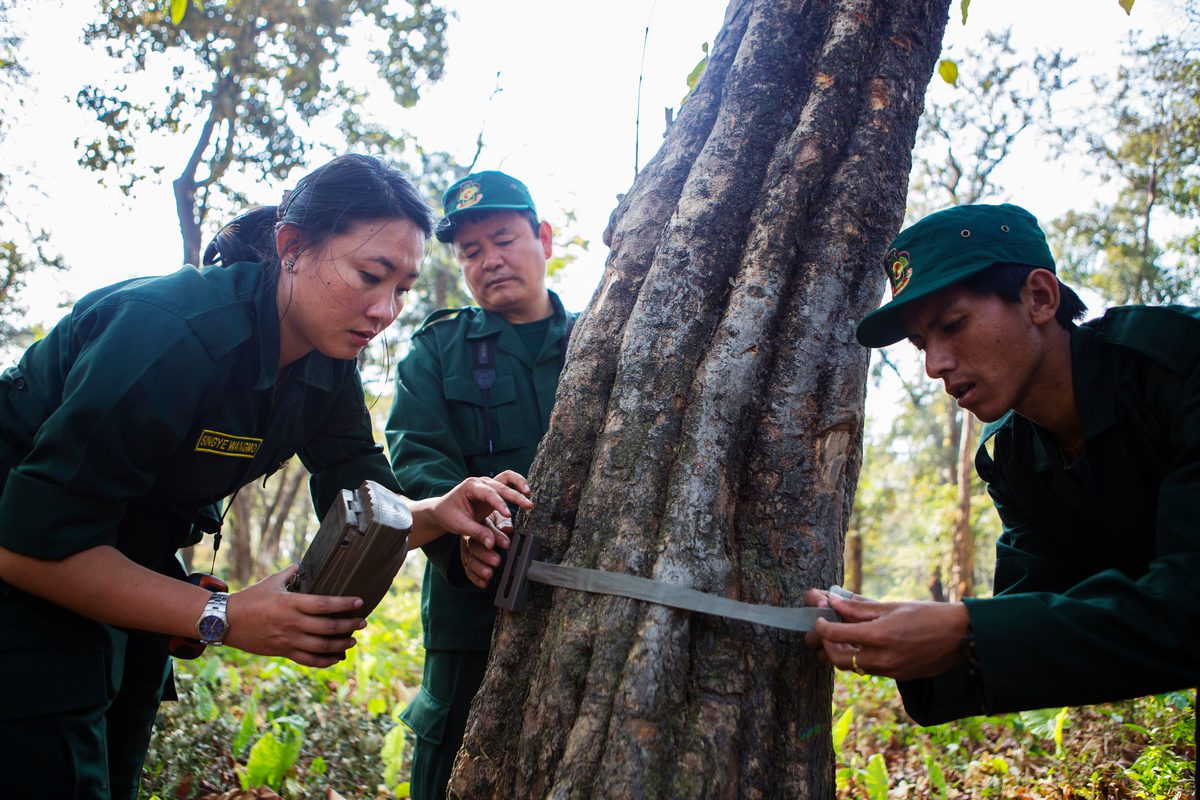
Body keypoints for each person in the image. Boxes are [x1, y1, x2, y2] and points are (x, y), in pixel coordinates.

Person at [0, 153, 531, 800]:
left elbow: (366, 501)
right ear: (291, 247)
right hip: (32, 556)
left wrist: (437, 510)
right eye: (370, 275)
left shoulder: (327, 364)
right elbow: (26, 544)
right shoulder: (171, 334)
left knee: (117, 763)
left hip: (124, 557)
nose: (385, 309)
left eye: (403, 289)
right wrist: (220, 615)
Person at [804, 203, 1199, 754]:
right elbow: (1039, 614)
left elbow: (1188, 603)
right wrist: (896, 637)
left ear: (1039, 298)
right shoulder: (1010, 455)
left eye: (952, 325)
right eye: (921, 344)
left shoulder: (1181, 368)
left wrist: (964, 631)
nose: (934, 364)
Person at [386, 170, 577, 799]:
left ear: (543, 238)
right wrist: (456, 538)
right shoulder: (438, 351)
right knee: (449, 771)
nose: (489, 260)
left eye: (504, 239)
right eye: (471, 251)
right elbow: (414, 460)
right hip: (470, 609)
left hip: (586, 608)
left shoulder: (598, 343)